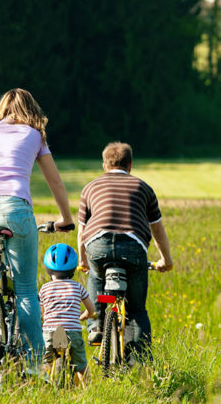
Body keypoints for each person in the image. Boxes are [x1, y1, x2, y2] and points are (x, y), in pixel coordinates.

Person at [0, 88, 74, 373]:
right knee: (25, 289)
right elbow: (56, 183)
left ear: (0, 109)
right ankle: (34, 366)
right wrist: (65, 218)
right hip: (16, 209)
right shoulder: (34, 134)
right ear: (31, 110)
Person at [77, 142, 173, 362]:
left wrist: (82, 259)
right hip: (133, 247)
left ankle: (97, 325)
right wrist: (166, 260)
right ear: (130, 166)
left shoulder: (90, 188)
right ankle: (138, 360)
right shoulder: (143, 188)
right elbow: (157, 228)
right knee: (136, 308)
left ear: (104, 165)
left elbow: (82, 230)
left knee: (97, 277)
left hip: (97, 245)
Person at [39, 243, 95, 385]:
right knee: (81, 365)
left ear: (48, 268)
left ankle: (44, 385)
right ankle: (88, 389)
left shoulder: (44, 288)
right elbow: (91, 309)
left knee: (45, 361)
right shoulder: (77, 286)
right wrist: (84, 316)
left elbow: (41, 313)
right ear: (72, 269)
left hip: (49, 331)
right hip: (73, 331)